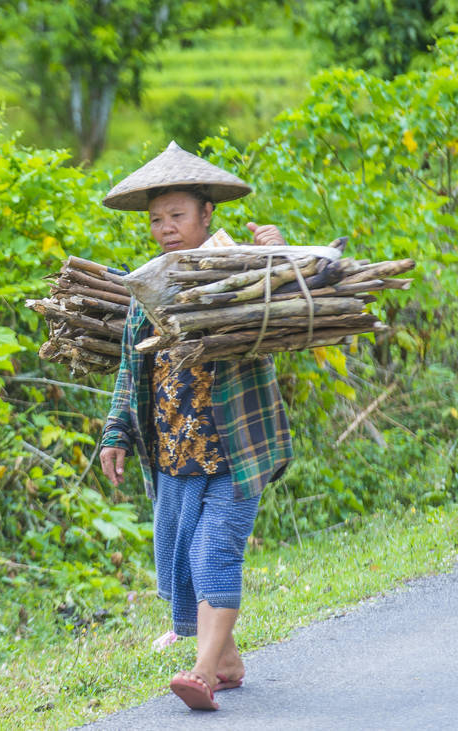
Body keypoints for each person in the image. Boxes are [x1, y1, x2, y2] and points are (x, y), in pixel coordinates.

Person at [97, 141, 293, 711]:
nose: (165, 228)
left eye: (177, 215)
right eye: (157, 219)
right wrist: (116, 433)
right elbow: (131, 368)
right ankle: (228, 662)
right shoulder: (148, 284)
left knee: (214, 552)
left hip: (239, 442)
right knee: (182, 557)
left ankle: (203, 673)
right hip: (176, 448)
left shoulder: (241, 270)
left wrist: (279, 256)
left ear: (208, 215)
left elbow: (284, 303)